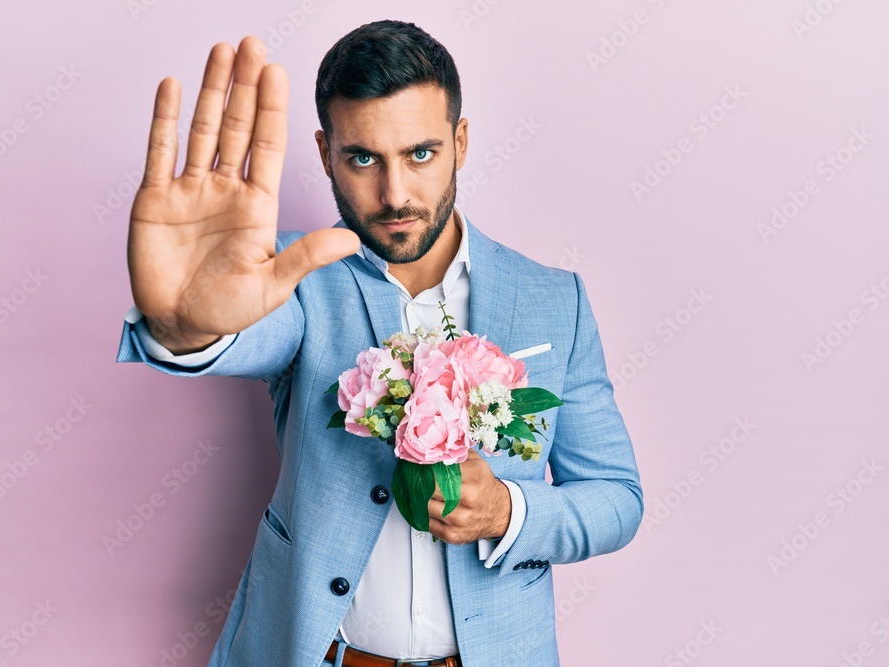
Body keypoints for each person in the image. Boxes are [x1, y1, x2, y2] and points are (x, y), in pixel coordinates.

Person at [116, 19, 643, 667]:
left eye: (420, 153)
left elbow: (616, 496)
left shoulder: (555, 300)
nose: (395, 194)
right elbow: (239, 329)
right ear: (324, 152)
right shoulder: (287, 279)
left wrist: (507, 509)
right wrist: (184, 324)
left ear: (461, 141)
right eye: (362, 158)